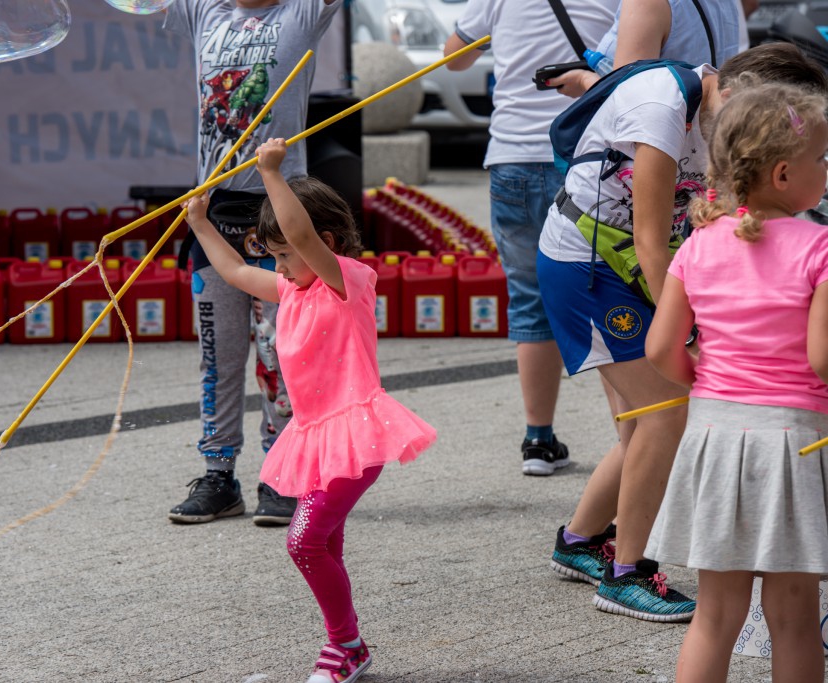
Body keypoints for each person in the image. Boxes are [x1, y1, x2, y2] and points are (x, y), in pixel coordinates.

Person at [538, 43, 828, 621]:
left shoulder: (720, 113)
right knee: (667, 411)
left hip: (634, 263)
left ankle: (580, 540)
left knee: (649, 417)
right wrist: (692, 329)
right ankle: (627, 572)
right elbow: (651, 240)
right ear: (741, 92)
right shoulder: (662, 106)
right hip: (591, 266)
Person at [183, 137, 436, 682]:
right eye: (274, 257)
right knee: (325, 543)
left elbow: (299, 234)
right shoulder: (292, 289)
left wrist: (271, 173)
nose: (280, 265)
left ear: (325, 242)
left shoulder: (348, 280)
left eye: (284, 254)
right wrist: (200, 223)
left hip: (355, 433)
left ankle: (346, 646)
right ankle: (348, 645)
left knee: (304, 542)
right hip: (315, 437)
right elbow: (234, 271)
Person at [646, 82, 828, 682]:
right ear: (783, 174)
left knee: (715, 614)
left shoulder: (698, 246)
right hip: (793, 442)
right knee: (794, 617)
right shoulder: (821, 247)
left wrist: (708, 383)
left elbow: (659, 349)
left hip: (713, 436)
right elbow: (823, 357)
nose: (827, 169)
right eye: (822, 158)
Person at [163, 0, 342, 526]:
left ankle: (282, 474)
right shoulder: (204, 10)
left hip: (278, 211)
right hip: (213, 213)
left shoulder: (301, 13)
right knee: (218, 357)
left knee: (282, 356)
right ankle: (218, 475)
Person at [443, 0, 618, 476]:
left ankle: (537, 440)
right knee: (607, 291)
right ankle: (632, 437)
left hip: (513, 157)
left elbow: (454, 56)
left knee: (528, 296)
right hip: (586, 154)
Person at [549, 0, 742, 97]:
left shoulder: (645, 3)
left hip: (659, 153)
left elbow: (629, 102)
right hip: (706, 144)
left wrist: (584, 81)